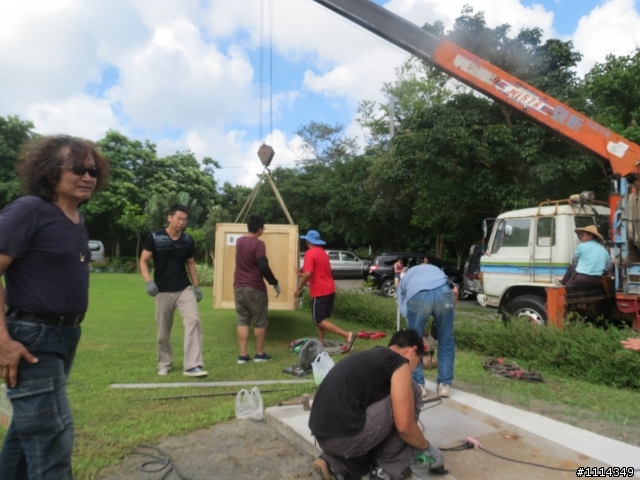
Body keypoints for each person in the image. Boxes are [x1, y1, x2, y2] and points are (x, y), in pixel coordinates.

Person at [0, 135, 109, 478]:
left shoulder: (77, 222)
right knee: (52, 438)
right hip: (33, 339)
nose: (87, 176)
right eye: (77, 168)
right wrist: (3, 341)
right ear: (50, 172)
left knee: (27, 430)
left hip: (66, 335)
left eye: (92, 170)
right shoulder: (29, 210)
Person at [309, 330, 444, 480]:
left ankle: (334, 463)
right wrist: (425, 446)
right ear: (412, 351)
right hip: (345, 438)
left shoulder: (374, 357)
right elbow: (404, 426)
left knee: (378, 410)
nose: (414, 369)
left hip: (323, 435)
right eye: (418, 363)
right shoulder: (399, 363)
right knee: (413, 391)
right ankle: (388, 468)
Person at [140, 204, 208, 377]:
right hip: (162, 291)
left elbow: (190, 263)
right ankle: (165, 363)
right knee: (163, 331)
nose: (182, 222)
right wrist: (148, 282)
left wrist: (197, 285)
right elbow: (143, 261)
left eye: (184, 220)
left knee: (193, 321)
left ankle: (192, 365)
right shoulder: (155, 237)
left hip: (183, 288)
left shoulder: (187, 240)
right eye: (179, 218)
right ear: (169, 218)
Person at [396, 262, 457, 399]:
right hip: (444, 293)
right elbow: (455, 291)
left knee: (414, 342)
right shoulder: (437, 270)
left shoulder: (407, 277)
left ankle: (418, 385)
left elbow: (402, 303)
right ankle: (444, 385)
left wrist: (411, 321)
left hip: (418, 295)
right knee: (446, 339)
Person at [294, 230, 356, 350]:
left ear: (308, 241)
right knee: (321, 319)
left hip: (320, 291)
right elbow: (314, 273)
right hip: (330, 289)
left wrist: (298, 289)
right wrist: (300, 274)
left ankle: (346, 335)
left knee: (318, 320)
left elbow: (308, 275)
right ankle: (321, 343)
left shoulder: (310, 253)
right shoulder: (322, 253)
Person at [234, 214, 281, 364]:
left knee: (242, 320)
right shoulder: (258, 244)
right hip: (254, 287)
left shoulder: (239, 241)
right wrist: (274, 282)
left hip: (238, 287)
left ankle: (243, 355)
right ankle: (259, 354)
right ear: (260, 229)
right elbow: (263, 265)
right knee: (260, 321)